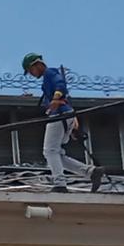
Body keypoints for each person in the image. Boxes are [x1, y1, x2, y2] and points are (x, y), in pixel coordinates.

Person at [21, 53, 105, 193]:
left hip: (59, 115)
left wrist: (55, 98)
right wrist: (72, 125)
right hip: (65, 116)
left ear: (37, 64)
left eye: (31, 70)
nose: (31, 74)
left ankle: (60, 184)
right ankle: (90, 172)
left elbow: (60, 84)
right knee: (56, 154)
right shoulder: (46, 79)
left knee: (49, 151)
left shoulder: (50, 72)